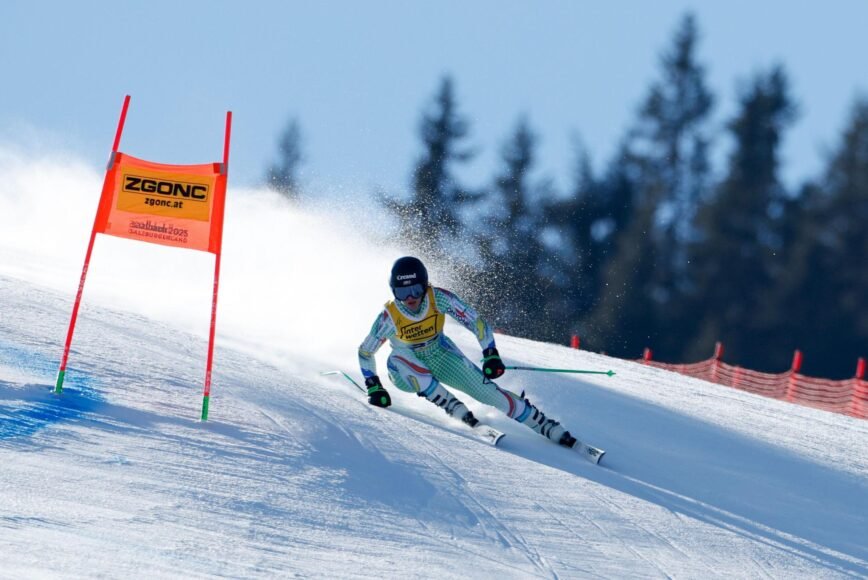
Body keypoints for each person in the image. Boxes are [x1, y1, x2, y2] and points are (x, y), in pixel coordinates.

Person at [358, 256, 578, 448]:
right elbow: (366, 352)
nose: (410, 298)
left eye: (415, 290)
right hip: (404, 369)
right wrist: (374, 386)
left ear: (425, 285)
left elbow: (477, 323)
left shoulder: (439, 298)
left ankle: (545, 426)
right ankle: (454, 408)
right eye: (402, 292)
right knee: (403, 359)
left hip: (440, 354)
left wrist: (490, 353)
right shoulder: (390, 316)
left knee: (489, 393)